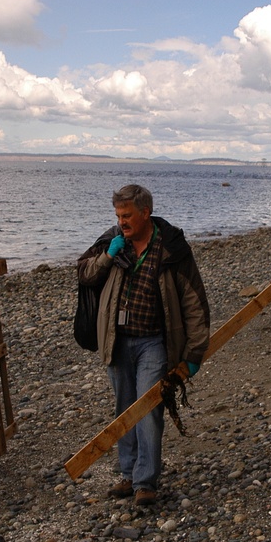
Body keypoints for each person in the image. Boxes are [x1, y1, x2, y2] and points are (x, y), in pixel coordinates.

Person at [77, 184, 211, 507]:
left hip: (153, 341)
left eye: (127, 215)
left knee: (148, 409)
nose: (121, 221)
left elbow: (194, 300)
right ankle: (128, 474)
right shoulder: (112, 241)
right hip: (116, 340)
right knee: (124, 409)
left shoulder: (172, 247)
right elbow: (84, 274)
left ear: (145, 213)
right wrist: (108, 256)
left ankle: (145, 481)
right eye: (118, 215)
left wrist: (195, 352)